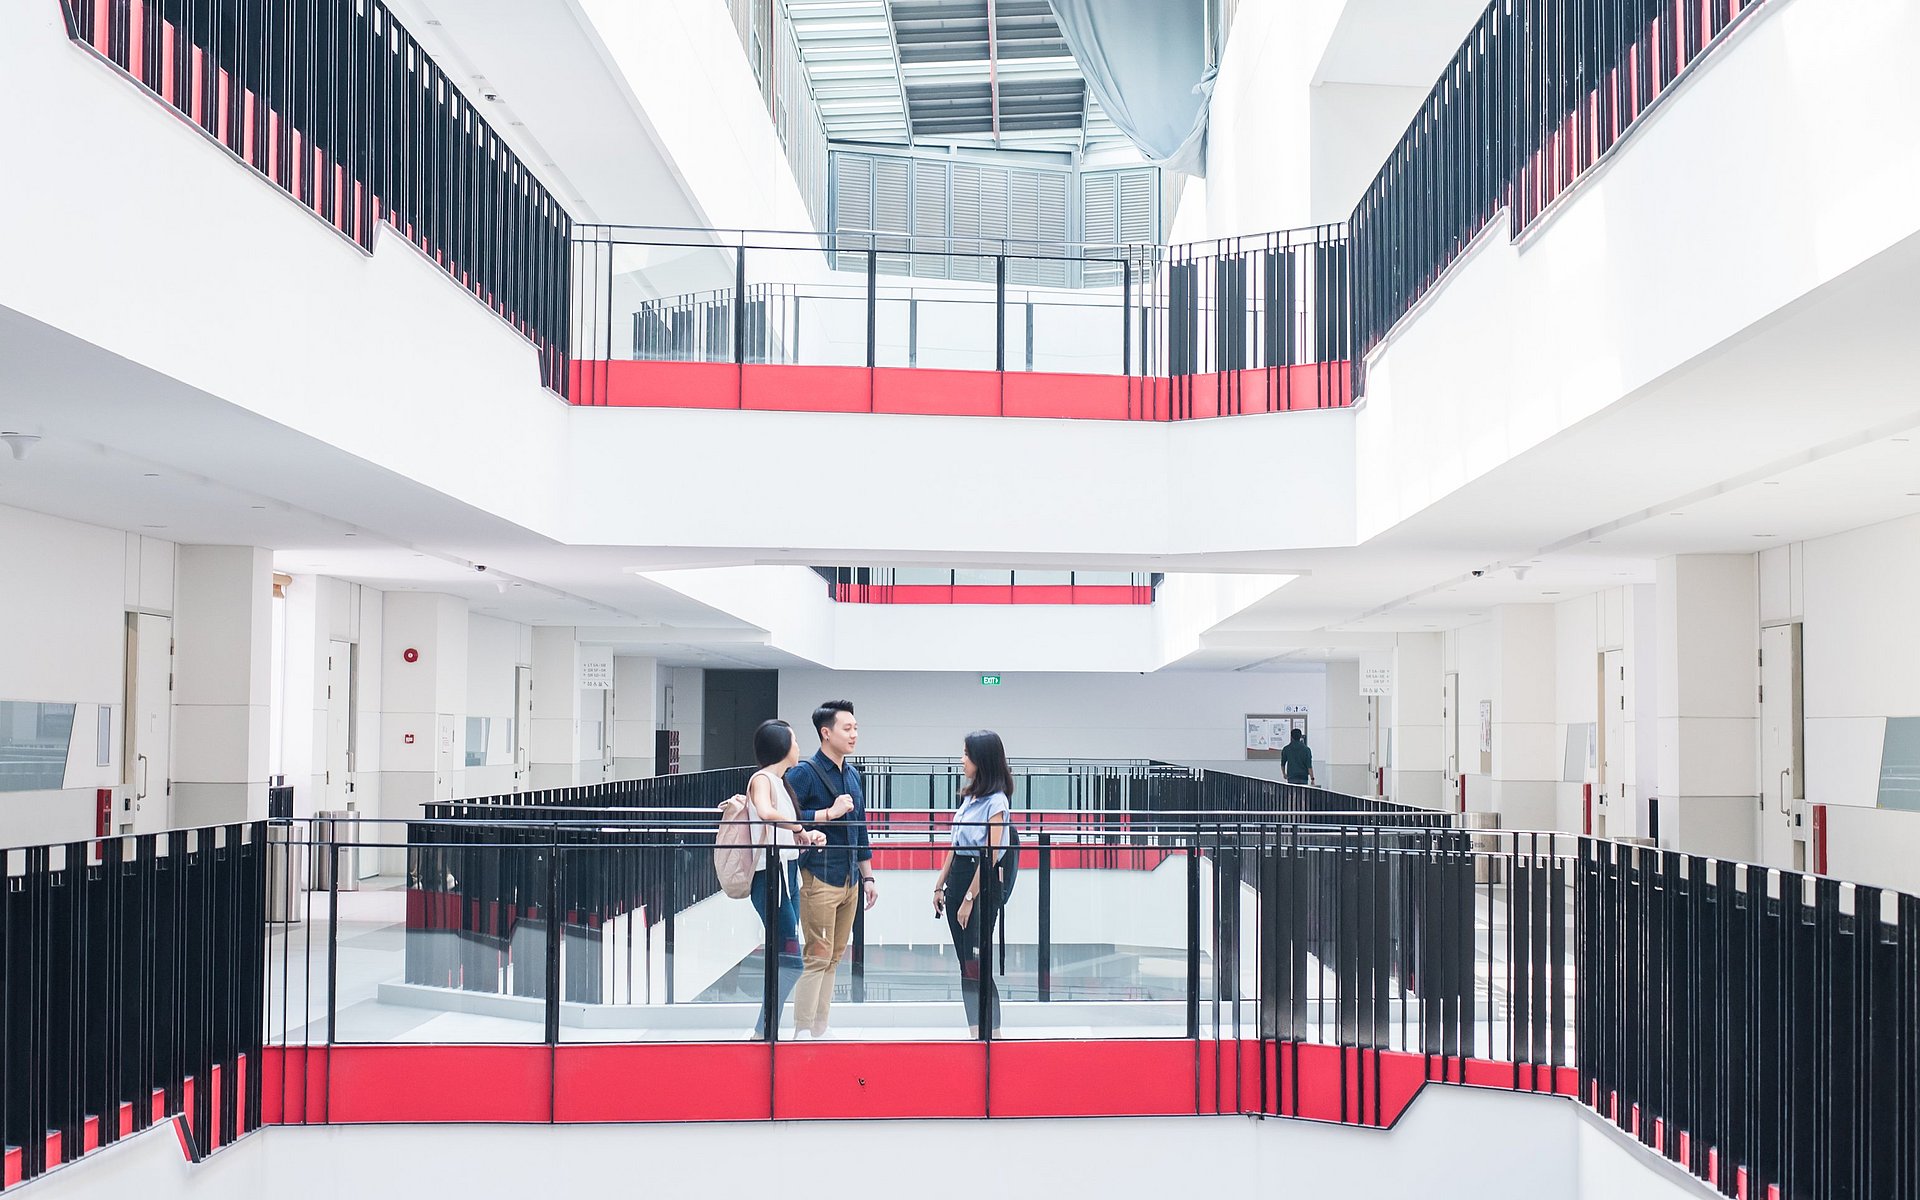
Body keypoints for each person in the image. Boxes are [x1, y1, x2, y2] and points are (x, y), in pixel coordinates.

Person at [785, 700, 877, 1038]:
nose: (854, 734)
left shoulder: (853, 775)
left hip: (850, 878)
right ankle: (802, 1028)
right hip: (819, 876)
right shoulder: (805, 773)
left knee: (835, 956)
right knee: (817, 956)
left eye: (855, 728)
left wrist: (868, 876)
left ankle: (819, 1027)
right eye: (847, 728)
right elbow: (787, 818)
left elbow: (860, 828)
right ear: (826, 733)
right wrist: (828, 813)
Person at [743, 719, 826, 1038]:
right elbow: (766, 813)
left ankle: (765, 1031)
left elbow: (781, 827)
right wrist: (799, 828)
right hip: (770, 877)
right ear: (782, 747)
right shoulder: (763, 779)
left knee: (785, 957)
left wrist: (805, 835)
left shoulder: (780, 782)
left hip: (787, 875)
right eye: (794, 741)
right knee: (790, 961)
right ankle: (763, 1031)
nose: (799, 747)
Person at [932, 730, 1013, 1037]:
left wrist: (969, 898)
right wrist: (939, 885)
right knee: (965, 964)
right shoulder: (970, 797)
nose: (962, 759)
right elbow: (955, 845)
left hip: (981, 882)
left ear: (982, 759)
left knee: (976, 961)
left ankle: (993, 1032)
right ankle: (975, 1030)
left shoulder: (997, 802)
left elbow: (990, 854)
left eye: (966, 754)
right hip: (958, 877)